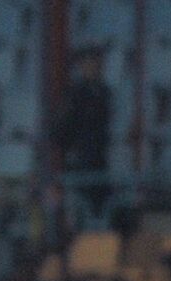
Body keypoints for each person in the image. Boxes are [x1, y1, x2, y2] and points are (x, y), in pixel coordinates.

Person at [51, 46, 111, 226]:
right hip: (81, 162)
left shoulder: (105, 93)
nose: (95, 67)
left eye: (97, 62)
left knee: (101, 210)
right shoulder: (74, 95)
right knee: (82, 211)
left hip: (101, 162)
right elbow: (59, 130)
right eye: (90, 62)